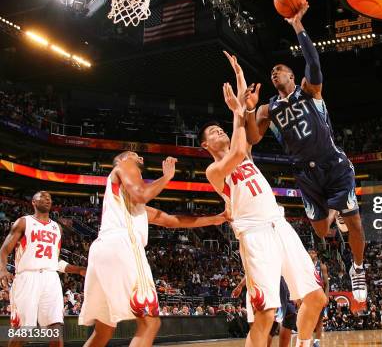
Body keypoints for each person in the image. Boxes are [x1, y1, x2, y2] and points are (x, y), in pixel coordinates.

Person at [200, 51, 327, 347]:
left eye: (222, 128)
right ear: (206, 144)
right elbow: (239, 147)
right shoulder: (214, 170)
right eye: (214, 132)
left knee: (316, 297)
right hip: (254, 232)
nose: (221, 132)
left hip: (278, 224)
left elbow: (244, 132)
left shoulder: (244, 153)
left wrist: (239, 76)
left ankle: (305, 343)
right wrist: (236, 112)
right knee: (266, 314)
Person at [242, 4, 367, 302]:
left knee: (356, 224)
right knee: (323, 232)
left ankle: (358, 267)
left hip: (333, 164)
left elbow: (314, 62)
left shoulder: (309, 90)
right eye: (272, 71)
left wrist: (298, 26)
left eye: (280, 70)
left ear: (291, 75)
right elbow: (252, 138)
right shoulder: (266, 109)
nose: (274, 73)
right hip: (306, 173)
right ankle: (334, 212)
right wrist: (247, 109)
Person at [78, 152, 230, 347]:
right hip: (124, 245)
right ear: (122, 159)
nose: (138, 155)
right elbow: (142, 194)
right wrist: (167, 176)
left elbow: (171, 220)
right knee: (150, 322)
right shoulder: (125, 165)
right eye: (133, 153)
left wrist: (216, 219)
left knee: (104, 329)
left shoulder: (127, 205)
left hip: (102, 251)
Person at [0, 191, 86, 347]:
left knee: (56, 331)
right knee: (23, 331)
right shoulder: (23, 222)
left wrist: (78, 269)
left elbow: (55, 261)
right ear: (33, 202)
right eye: (43, 197)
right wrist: (3, 270)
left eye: (49, 198)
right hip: (27, 277)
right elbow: (4, 250)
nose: (47, 199)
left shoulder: (57, 228)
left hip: (51, 279)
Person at [308, 249, 329, 347]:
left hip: (320, 295)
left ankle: (316, 341)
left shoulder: (321, 266)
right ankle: (307, 338)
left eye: (312, 252)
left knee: (320, 319)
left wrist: (327, 296)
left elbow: (327, 283)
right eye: (309, 253)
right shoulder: (305, 266)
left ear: (316, 254)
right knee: (308, 319)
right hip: (309, 295)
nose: (311, 254)